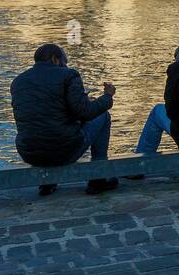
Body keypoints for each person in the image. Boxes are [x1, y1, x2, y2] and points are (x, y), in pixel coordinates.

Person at [10, 43, 118, 195]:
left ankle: (47, 183)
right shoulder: (68, 75)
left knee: (40, 127)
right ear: (56, 59)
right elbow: (85, 112)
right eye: (65, 62)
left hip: (29, 152)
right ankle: (99, 177)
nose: (66, 66)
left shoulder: (18, 82)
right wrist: (107, 97)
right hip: (64, 151)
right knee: (103, 115)